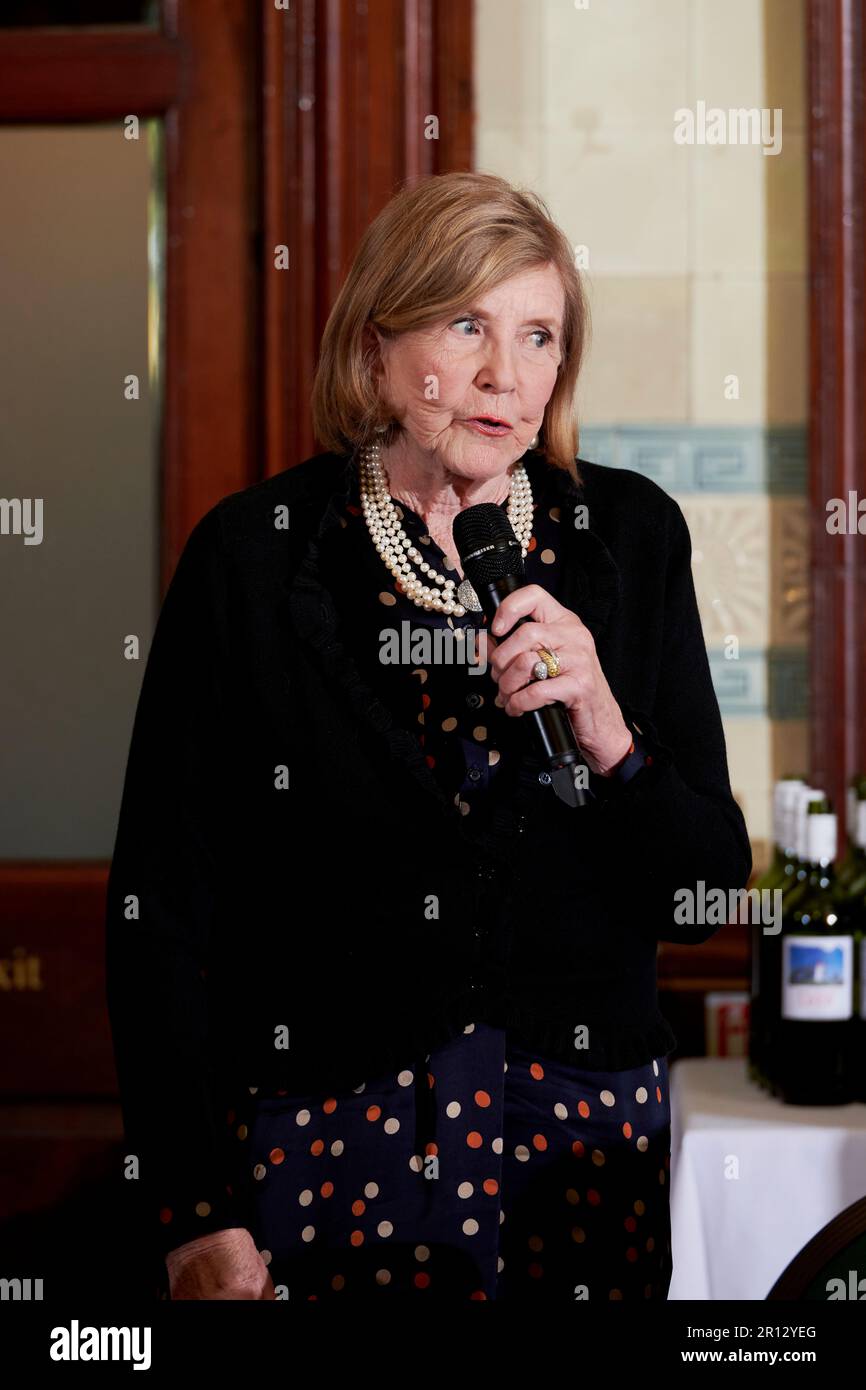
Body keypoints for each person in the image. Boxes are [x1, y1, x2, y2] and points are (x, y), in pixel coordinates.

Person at [105, 170, 752, 1302]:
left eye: (539, 335)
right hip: (326, 1151)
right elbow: (156, 914)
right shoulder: (252, 558)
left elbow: (701, 887)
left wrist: (606, 727)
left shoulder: (630, 537)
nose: (507, 374)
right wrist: (194, 1211)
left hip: (576, 1158)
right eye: (467, 325)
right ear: (375, 348)